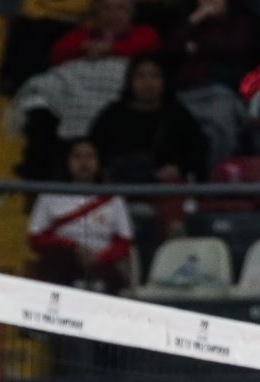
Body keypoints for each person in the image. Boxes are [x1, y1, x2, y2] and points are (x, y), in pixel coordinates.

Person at [26, 139, 135, 292]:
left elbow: (124, 242)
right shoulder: (49, 195)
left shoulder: (114, 199)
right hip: (62, 260)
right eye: (77, 156)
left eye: (90, 156)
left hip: (102, 261)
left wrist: (98, 258)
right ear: (67, 161)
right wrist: (73, 248)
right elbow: (36, 239)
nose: (84, 162)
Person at [89, 54, 209, 182]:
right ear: (130, 80)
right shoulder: (111, 116)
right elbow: (93, 150)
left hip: (164, 191)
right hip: (118, 188)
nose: (147, 82)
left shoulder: (178, 116)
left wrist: (179, 168)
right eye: (140, 76)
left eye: (154, 76)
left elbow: (198, 151)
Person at [52, 0, 160, 66]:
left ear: (131, 13)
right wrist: (83, 48)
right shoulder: (83, 34)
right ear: (97, 13)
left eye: (121, 8)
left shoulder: (144, 32)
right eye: (106, 8)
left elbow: (146, 46)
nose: (113, 13)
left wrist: (110, 49)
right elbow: (57, 53)